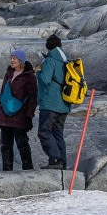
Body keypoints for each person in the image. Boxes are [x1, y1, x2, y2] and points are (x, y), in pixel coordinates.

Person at [0, 48, 37, 171]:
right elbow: (3, 95)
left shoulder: (29, 76)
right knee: (5, 146)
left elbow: (33, 98)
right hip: (5, 115)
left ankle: (28, 170)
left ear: (21, 61)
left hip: (20, 116)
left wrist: (29, 117)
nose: (12, 60)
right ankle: (7, 171)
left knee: (22, 145)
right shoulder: (8, 74)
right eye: (11, 58)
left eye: (14, 58)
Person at [36, 34, 72, 170]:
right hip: (64, 105)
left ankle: (55, 160)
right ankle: (62, 162)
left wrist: (38, 71)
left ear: (48, 46)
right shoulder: (66, 61)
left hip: (50, 103)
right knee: (58, 133)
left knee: (44, 131)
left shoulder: (50, 60)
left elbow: (45, 79)